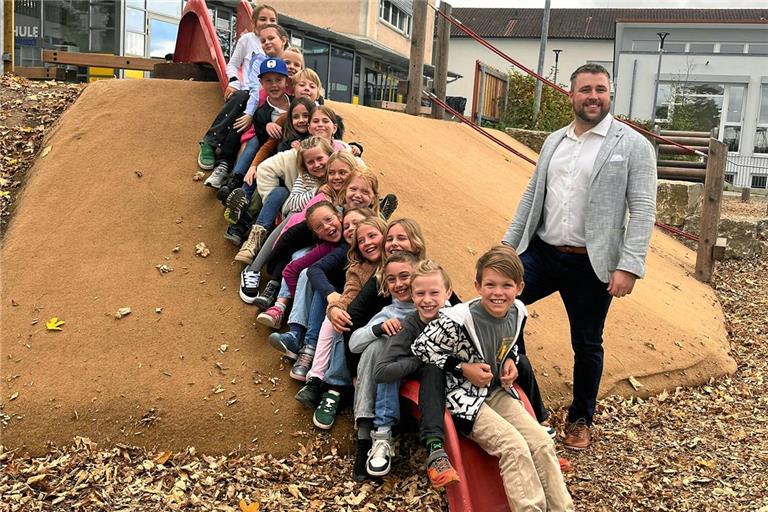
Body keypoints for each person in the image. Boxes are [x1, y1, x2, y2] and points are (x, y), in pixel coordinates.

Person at [502, 63, 657, 450]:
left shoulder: (633, 145)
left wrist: (629, 265)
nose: (593, 96)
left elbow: (643, 210)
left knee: (587, 342)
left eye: (600, 89)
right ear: (570, 95)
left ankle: (580, 418)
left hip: (593, 263)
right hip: (541, 251)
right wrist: (508, 246)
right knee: (503, 312)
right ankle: (523, 398)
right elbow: (531, 195)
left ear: (610, 94)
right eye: (585, 89)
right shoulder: (555, 141)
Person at [412, 246, 574, 511]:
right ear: (477, 286)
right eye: (490, 285)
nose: (498, 293)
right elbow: (422, 348)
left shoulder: (518, 312)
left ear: (519, 287)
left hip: (495, 391)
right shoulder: (457, 320)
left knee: (542, 442)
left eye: (506, 285)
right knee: (514, 447)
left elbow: (510, 345)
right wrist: (462, 367)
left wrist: (510, 359)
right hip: (463, 397)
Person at [374, 259, 459, 488]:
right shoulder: (410, 326)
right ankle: (435, 450)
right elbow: (381, 372)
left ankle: (534, 438)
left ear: (448, 292)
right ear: (412, 295)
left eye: (434, 292)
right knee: (433, 367)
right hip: (434, 383)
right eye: (420, 293)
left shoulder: (461, 318)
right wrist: (420, 358)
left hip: (466, 384)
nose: (427, 300)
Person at [348, 251, 419, 480]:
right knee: (373, 347)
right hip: (394, 372)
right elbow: (353, 344)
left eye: (404, 276)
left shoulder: (433, 301)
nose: (398, 284)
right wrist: (378, 329)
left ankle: (370, 437)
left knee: (381, 350)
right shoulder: (389, 312)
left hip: (428, 368)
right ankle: (368, 437)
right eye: (391, 279)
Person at [196, 4, 278, 171]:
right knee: (241, 100)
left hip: (267, 93)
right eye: (263, 19)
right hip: (248, 89)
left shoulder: (277, 44)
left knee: (250, 119)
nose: (267, 22)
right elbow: (232, 65)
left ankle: (228, 163)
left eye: (272, 20)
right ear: (254, 22)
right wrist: (233, 82)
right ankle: (211, 142)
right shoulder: (247, 40)